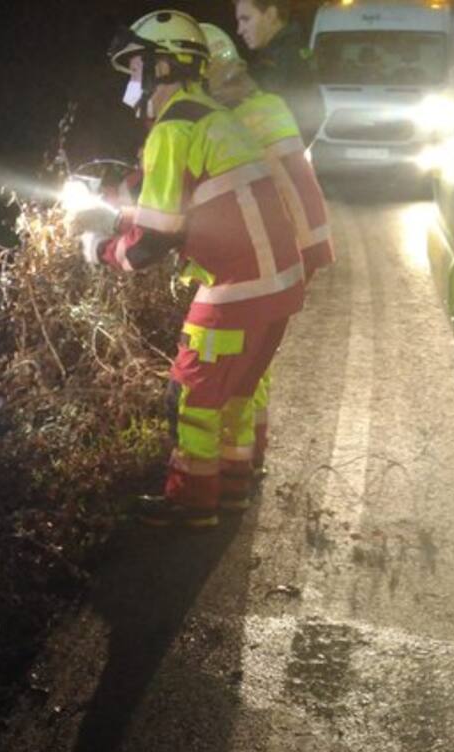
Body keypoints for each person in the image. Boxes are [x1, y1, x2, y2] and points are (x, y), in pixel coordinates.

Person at [78, 10, 304, 526]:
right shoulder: (208, 116)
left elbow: (149, 243)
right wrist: (122, 204)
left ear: (166, 67)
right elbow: (182, 201)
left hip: (239, 287)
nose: (132, 84)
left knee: (194, 391)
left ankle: (191, 503)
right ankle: (231, 492)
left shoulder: (174, 128)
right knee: (236, 393)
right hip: (280, 280)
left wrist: (100, 248)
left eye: (137, 70)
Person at [203, 23, 334, 472]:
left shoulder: (228, 122)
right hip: (302, 243)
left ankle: (221, 480)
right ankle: (245, 460)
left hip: (273, 249)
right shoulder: (269, 104)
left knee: (224, 370)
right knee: (253, 360)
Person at [233, 0, 324, 144]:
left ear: (270, 15)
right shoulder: (293, 47)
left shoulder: (281, 57)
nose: (240, 30)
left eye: (246, 19)